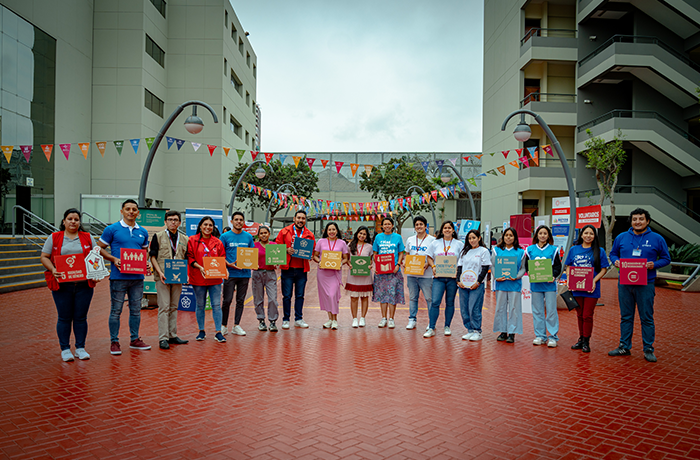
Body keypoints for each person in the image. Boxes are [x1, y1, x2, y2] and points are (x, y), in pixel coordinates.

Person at [608, 208, 670, 362]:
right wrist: (615, 261)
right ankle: (624, 346)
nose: (638, 222)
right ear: (631, 221)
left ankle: (648, 348)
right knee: (626, 316)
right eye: (635, 219)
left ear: (647, 221)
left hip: (646, 284)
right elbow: (613, 253)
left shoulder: (657, 238)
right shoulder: (622, 237)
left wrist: (653, 265)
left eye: (641, 219)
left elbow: (666, 258)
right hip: (625, 284)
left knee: (647, 317)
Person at [40, 208, 99, 361]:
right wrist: (52, 269)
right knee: (64, 317)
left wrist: (96, 273)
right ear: (64, 221)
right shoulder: (54, 237)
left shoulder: (87, 237)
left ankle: (80, 347)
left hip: (83, 285)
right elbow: (44, 257)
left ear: (80, 222)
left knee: (81, 317)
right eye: (70, 219)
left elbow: (95, 258)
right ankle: (65, 348)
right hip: (62, 285)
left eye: (76, 219)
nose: (73, 222)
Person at [97, 199, 151, 355]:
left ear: (138, 213)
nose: (131, 212)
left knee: (136, 311)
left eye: (134, 209)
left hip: (137, 278)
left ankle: (135, 340)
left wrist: (146, 263)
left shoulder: (143, 231)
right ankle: (114, 342)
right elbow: (99, 248)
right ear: (122, 211)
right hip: (118, 277)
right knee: (116, 311)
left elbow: (144, 251)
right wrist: (113, 259)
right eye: (128, 209)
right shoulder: (112, 229)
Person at [564, 224, 609, 353]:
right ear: (581, 235)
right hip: (577, 288)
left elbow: (604, 269)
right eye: (586, 233)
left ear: (594, 236)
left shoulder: (599, 251)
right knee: (579, 314)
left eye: (591, 233)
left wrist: (593, 281)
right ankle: (581, 339)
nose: (588, 236)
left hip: (591, 288)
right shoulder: (574, 249)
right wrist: (569, 278)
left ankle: (586, 341)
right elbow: (568, 266)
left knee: (587, 315)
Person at [149, 210, 189, 350]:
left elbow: (186, 258)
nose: (173, 222)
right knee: (164, 307)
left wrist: (186, 275)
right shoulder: (158, 237)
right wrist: (159, 272)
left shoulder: (185, 239)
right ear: (165, 222)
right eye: (170, 219)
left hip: (178, 278)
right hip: (163, 277)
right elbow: (152, 256)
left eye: (176, 219)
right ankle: (163, 338)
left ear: (179, 222)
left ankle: (172, 335)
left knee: (174, 307)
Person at [187, 216, 226, 343]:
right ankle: (201, 331)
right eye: (205, 225)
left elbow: (222, 258)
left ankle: (218, 332)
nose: (207, 227)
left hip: (215, 278)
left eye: (210, 225)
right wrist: (200, 267)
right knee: (200, 305)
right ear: (200, 226)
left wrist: (226, 269)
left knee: (216, 305)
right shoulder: (192, 240)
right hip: (198, 277)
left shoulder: (218, 242)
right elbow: (190, 257)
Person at [274, 210, 315, 329]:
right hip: (287, 269)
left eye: (303, 218)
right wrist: (286, 250)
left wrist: (311, 255)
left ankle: (299, 318)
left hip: (302, 269)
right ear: (294, 219)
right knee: (286, 295)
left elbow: (312, 250)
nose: (301, 220)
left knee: (300, 295)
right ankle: (285, 319)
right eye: (299, 218)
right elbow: (276, 247)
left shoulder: (309, 234)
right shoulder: (284, 232)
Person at [524, 225, 562, 348]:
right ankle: (540, 335)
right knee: (537, 311)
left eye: (545, 233)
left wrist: (554, 276)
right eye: (540, 233)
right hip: (536, 285)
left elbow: (557, 267)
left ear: (548, 236)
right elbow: (527, 265)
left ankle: (552, 336)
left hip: (549, 285)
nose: (542, 236)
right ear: (537, 235)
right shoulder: (530, 250)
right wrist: (529, 271)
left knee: (551, 311)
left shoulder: (553, 250)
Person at [423, 221, 463, 338]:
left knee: (450, 303)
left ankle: (447, 326)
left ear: (453, 230)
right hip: (438, 278)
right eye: (445, 228)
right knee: (435, 302)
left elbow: (462, 259)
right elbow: (429, 257)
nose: (447, 230)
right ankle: (431, 327)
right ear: (442, 230)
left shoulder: (459, 244)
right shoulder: (435, 243)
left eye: (449, 228)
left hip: (452, 278)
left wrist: (458, 271)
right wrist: (433, 266)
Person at [219, 212, 255, 336]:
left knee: (240, 300)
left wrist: (253, 264)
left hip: (244, 274)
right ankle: (223, 325)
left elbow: (252, 254)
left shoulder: (248, 237)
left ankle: (236, 325)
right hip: (230, 274)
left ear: (243, 222)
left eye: (241, 220)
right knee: (227, 300)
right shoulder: (224, 236)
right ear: (232, 222)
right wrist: (228, 264)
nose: (238, 222)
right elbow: (219, 255)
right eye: (236, 219)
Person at [455, 229, 491, 341]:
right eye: (470, 238)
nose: (472, 240)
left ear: (479, 238)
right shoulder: (464, 252)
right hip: (464, 285)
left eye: (474, 238)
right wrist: (458, 280)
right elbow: (460, 267)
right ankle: (469, 330)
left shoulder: (483, 251)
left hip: (476, 285)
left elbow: (485, 268)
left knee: (474, 307)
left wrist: (478, 282)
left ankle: (477, 331)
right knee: (464, 308)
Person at [491, 227, 526, 343]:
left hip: (514, 284)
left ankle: (512, 333)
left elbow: (523, 268)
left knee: (514, 309)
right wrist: (496, 276)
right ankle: (502, 331)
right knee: (500, 308)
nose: (508, 237)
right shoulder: (497, 250)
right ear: (503, 237)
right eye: (506, 235)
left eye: (511, 235)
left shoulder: (521, 252)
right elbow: (493, 266)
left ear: (515, 237)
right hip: (501, 284)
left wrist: (516, 276)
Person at [313, 222, 350, 329]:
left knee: (332, 295)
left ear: (337, 231)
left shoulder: (342, 243)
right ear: (326, 231)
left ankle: (335, 320)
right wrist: (319, 262)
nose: (331, 232)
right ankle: (330, 319)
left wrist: (340, 263)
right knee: (326, 296)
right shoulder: (321, 241)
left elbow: (345, 258)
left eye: (333, 229)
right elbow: (315, 256)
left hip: (334, 273)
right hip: (323, 273)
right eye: (329, 230)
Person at [372, 217, 405, 328]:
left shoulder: (398, 237)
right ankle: (383, 318)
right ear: (382, 226)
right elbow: (375, 253)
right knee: (382, 295)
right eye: (385, 224)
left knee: (392, 295)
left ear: (392, 225)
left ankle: (391, 318)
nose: (387, 226)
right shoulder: (378, 237)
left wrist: (398, 265)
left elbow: (401, 253)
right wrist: (377, 265)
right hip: (382, 272)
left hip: (394, 271)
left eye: (389, 224)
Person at [404, 216, 435, 330]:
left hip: (426, 275)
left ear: (426, 226)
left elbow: (434, 256)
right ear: (415, 227)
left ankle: (431, 322)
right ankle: (412, 319)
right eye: (417, 225)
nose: (419, 227)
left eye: (421, 224)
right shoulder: (410, 239)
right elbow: (407, 254)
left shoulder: (432, 240)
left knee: (429, 298)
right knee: (413, 298)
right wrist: (406, 263)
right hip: (412, 275)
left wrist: (428, 264)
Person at [345, 226, 374, 327]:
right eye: (360, 233)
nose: (362, 235)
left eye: (364, 234)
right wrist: (349, 264)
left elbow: (371, 260)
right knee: (353, 298)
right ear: (357, 233)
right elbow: (347, 258)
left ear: (366, 236)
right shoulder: (350, 245)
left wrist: (370, 265)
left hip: (365, 275)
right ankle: (354, 319)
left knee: (365, 297)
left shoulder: (369, 247)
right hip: (353, 274)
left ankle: (362, 318)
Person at [252, 226, 279, 332]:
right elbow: (249, 259)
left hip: (270, 274)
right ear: (258, 235)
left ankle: (273, 321)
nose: (263, 235)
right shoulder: (254, 246)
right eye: (261, 233)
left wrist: (278, 262)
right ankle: (261, 320)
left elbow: (278, 259)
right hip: (257, 273)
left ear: (269, 234)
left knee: (272, 298)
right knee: (258, 299)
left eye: (266, 233)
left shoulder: (274, 245)